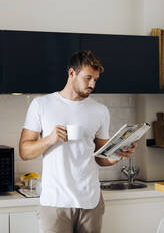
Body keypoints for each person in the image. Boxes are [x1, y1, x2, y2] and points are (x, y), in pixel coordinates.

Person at [19, 50, 136, 233]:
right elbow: (24, 152)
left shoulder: (100, 111)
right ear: (72, 73)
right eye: (88, 78)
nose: (92, 84)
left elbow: (100, 157)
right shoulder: (41, 105)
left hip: (90, 202)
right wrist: (50, 139)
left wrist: (116, 156)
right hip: (55, 202)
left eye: (95, 80)